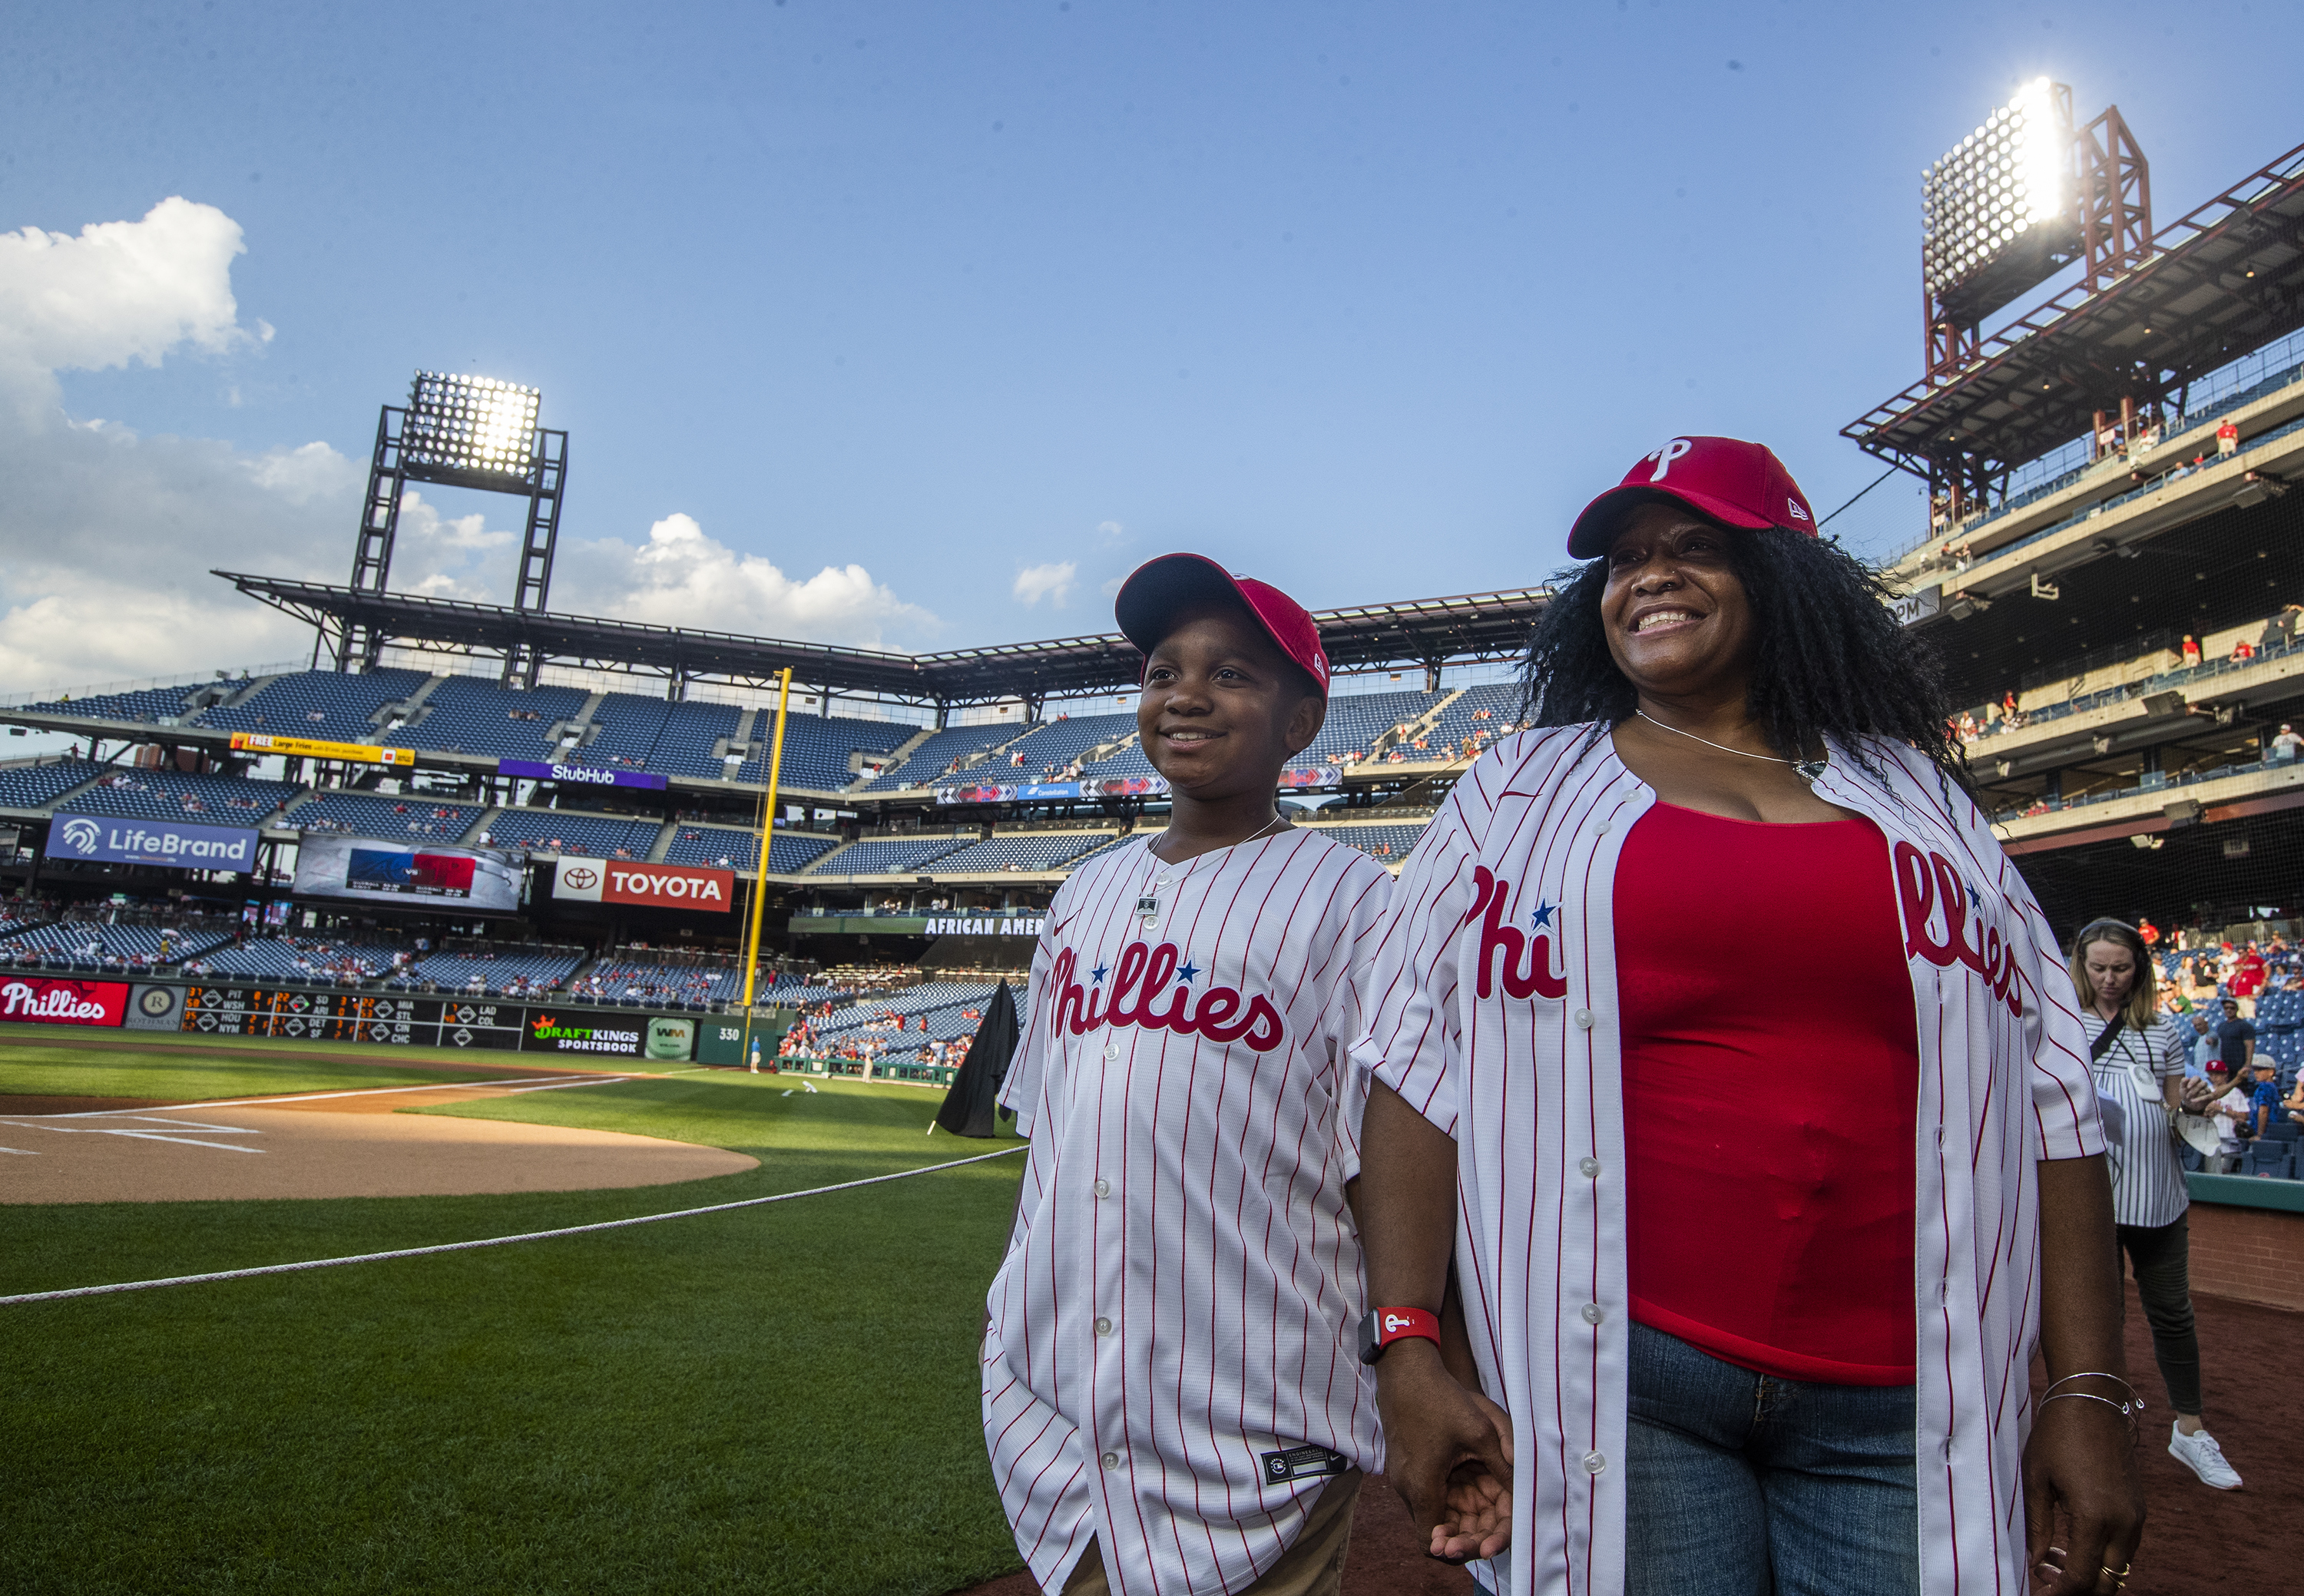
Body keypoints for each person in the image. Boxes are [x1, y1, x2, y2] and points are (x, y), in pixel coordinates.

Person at [1351, 435, 2143, 1595]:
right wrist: (1409, 1344)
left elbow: (2053, 1095)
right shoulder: (1515, 789)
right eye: (1624, 559)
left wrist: (2084, 1388)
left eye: (1696, 547)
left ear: (1785, 576)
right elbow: (1414, 1068)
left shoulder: (1921, 797)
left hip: (1912, 1391)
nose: (1649, 576)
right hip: (1625, 1380)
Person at [982, 554, 1393, 1596]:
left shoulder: (1359, 900)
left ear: (1302, 723)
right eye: (1164, 669)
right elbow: (1053, 1138)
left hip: (1263, 1394)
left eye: (1234, 673)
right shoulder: (1084, 891)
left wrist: (1416, 1347)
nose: (1188, 693)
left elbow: (1384, 1165)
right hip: (1064, 1392)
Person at [2071, 921, 2242, 1489]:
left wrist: (2192, 1105)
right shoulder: (2062, 1025)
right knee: (2102, 1320)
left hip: (2160, 1196)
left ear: (2139, 969)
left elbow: (2177, 1123)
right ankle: (2103, 1430)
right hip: (2092, 1201)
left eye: (2121, 968)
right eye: (2099, 967)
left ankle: (2189, 1431)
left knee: (2173, 1315)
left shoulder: (2163, 1029)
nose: (2110, 978)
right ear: (2081, 965)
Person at [2214, 997, 2256, 1072]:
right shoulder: (2221, 1026)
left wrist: (2247, 1065)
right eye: (2226, 1008)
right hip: (2224, 1066)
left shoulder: (2245, 1026)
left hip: (2239, 1065)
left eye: (2232, 1008)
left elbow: (2250, 1046)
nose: (2229, 1010)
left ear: (2237, 1009)